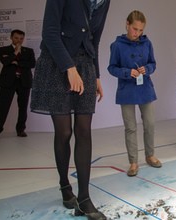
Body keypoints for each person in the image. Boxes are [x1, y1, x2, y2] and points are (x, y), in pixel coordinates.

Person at [30, 0, 110, 219]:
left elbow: (96, 38)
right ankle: (65, 187)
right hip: (57, 63)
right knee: (64, 132)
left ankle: (83, 199)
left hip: (85, 64)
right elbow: (50, 33)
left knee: (84, 130)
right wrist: (69, 67)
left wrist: (96, 74)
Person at [108, 10, 161, 177]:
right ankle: (133, 162)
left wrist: (147, 69)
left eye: (140, 30)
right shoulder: (117, 45)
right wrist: (126, 72)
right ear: (127, 24)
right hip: (127, 90)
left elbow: (153, 63)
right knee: (130, 127)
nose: (137, 33)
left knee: (150, 124)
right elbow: (112, 67)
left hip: (145, 88)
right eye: (134, 29)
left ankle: (150, 155)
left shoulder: (147, 43)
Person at [0, 29, 35, 137]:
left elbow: (32, 64)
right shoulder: (3, 49)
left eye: (21, 38)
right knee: (2, 107)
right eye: (16, 38)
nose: (19, 40)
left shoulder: (29, 51)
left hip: (24, 82)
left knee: (23, 107)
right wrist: (15, 52)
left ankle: (20, 129)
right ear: (11, 37)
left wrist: (16, 61)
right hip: (8, 82)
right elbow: (5, 62)